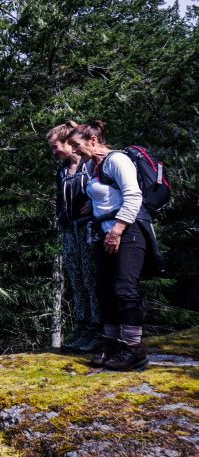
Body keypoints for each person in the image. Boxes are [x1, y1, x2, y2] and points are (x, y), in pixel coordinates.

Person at [68, 121, 152, 371]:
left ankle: (133, 348)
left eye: (77, 145)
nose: (74, 150)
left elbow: (133, 196)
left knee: (125, 288)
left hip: (128, 231)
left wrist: (117, 229)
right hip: (103, 233)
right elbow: (106, 197)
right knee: (104, 289)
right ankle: (112, 342)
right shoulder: (94, 166)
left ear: (93, 141)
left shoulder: (117, 160)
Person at [47, 121, 100, 352]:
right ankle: (83, 327)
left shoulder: (91, 165)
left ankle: (99, 329)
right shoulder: (62, 171)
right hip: (71, 229)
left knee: (92, 279)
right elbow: (61, 199)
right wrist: (62, 217)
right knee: (76, 280)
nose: (54, 151)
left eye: (55, 146)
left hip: (90, 228)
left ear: (70, 143)